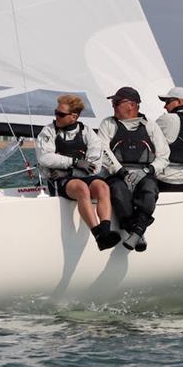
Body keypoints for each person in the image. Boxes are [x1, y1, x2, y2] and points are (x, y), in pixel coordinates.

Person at [36, 94, 121, 251]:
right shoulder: (48, 131)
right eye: (56, 112)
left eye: (61, 114)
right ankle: (98, 235)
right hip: (58, 180)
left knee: (103, 187)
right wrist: (74, 163)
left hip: (76, 175)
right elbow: (45, 158)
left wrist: (71, 170)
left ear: (74, 117)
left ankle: (105, 232)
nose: (56, 116)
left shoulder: (87, 132)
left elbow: (94, 164)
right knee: (82, 188)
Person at [98, 86, 169, 252]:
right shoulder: (108, 124)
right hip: (117, 173)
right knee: (117, 190)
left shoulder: (150, 125)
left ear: (132, 105)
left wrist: (147, 171)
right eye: (113, 103)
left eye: (117, 102)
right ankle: (137, 233)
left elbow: (164, 155)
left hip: (144, 172)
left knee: (150, 189)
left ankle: (136, 232)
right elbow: (102, 149)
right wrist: (121, 171)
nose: (113, 106)